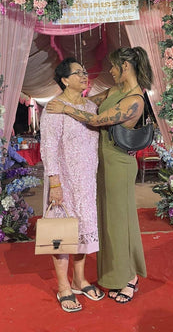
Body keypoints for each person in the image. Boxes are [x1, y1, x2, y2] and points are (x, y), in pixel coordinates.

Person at [46, 46, 153, 304]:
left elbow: (96, 119)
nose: (111, 71)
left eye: (114, 67)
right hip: (97, 166)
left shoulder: (135, 99)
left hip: (117, 163)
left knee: (120, 221)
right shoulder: (115, 90)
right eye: (79, 72)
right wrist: (68, 101)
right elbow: (90, 103)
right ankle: (108, 277)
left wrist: (66, 108)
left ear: (126, 67)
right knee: (104, 224)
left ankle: (129, 277)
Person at [40, 57, 105, 313]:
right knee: (61, 233)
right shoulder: (55, 107)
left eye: (85, 71)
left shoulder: (90, 106)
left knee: (83, 232)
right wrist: (54, 181)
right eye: (77, 73)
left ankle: (79, 280)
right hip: (64, 180)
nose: (84, 75)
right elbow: (48, 146)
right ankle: (63, 287)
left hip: (86, 182)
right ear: (64, 79)